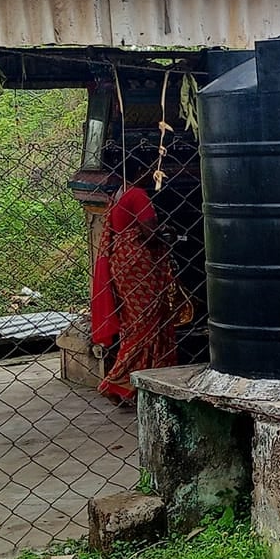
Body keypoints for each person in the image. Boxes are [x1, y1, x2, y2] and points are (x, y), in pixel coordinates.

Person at [89, 166, 185, 403]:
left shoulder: (119, 193)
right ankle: (117, 381)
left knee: (134, 323)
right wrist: (169, 231)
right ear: (140, 169)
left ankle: (133, 383)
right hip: (139, 263)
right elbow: (151, 233)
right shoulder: (138, 195)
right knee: (148, 324)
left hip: (121, 262)